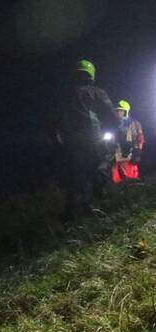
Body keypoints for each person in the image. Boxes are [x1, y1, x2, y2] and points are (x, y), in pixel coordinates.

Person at [57, 59, 120, 217]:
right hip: (94, 138)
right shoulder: (98, 92)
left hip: (72, 141)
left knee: (76, 175)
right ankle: (93, 206)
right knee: (99, 168)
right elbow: (111, 115)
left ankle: (71, 212)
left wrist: (59, 137)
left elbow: (56, 119)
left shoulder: (66, 95)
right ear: (91, 75)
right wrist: (116, 127)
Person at [112, 99, 146, 184]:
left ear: (125, 111)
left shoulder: (134, 123)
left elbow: (140, 139)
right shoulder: (117, 125)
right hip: (118, 157)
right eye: (117, 111)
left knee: (131, 180)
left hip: (129, 158)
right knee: (117, 181)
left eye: (120, 110)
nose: (118, 112)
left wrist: (138, 153)